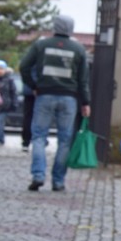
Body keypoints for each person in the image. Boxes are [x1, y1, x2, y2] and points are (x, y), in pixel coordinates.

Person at [19, 14, 91, 192]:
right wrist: (86, 102)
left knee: (38, 136)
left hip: (44, 96)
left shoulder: (41, 45)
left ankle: (38, 175)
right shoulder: (78, 49)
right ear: (71, 28)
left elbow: (24, 66)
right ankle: (58, 181)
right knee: (65, 140)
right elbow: (83, 79)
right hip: (69, 98)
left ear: (54, 27)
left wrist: (34, 85)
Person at [0, 60, 18, 147]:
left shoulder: (9, 80)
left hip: (4, 106)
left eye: (1, 69)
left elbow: (13, 93)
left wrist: (14, 104)